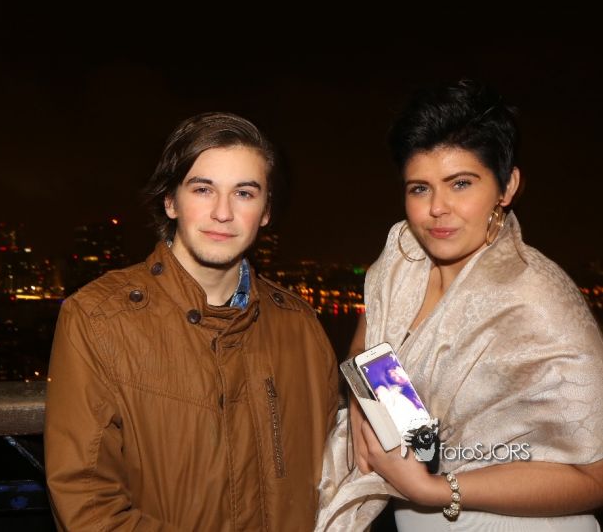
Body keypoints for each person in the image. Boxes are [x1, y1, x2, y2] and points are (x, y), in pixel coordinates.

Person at [316, 80, 603, 531]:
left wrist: (436, 488)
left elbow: (595, 477)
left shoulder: (538, 301)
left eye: (461, 184)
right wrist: (363, 403)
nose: (437, 208)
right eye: (420, 188)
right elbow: (366, 351)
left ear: (507, 187)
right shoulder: (401, 262)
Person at [45, 111, 339, 530]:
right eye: (203, 189)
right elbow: (87, 506)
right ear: (171, 201)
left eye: (244, 193)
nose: (223, 212)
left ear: (266, 210)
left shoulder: (301, 325)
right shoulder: (98, 320)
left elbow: (332, 481)